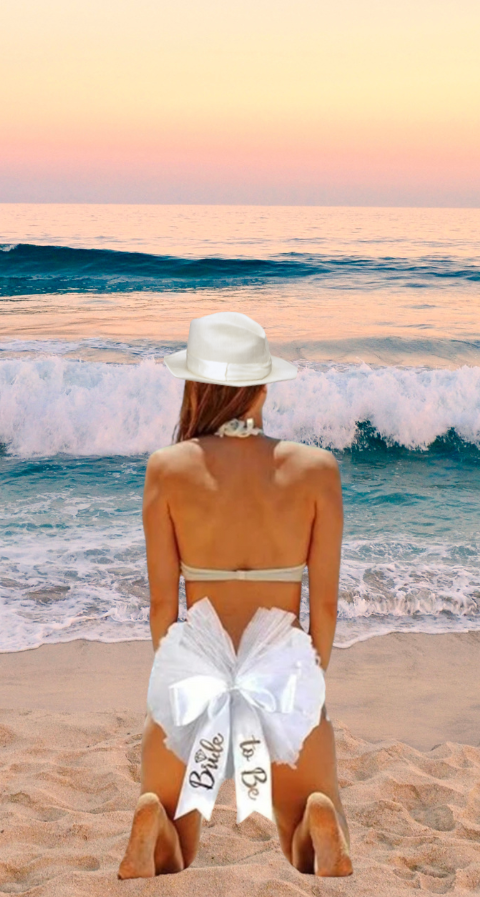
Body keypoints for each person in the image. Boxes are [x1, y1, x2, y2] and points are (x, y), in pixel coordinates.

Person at [118, 311, 352, 879]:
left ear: (195, 386)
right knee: (305, 828)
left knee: (176, 843)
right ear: (263, 386)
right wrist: (309, 677)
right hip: (281, 672)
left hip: (198, 664)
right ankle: (316, 818)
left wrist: (175, 674)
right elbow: (323, 605)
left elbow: (161, 606)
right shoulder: (316, 469)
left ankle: (156, 817)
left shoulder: (167, 469)